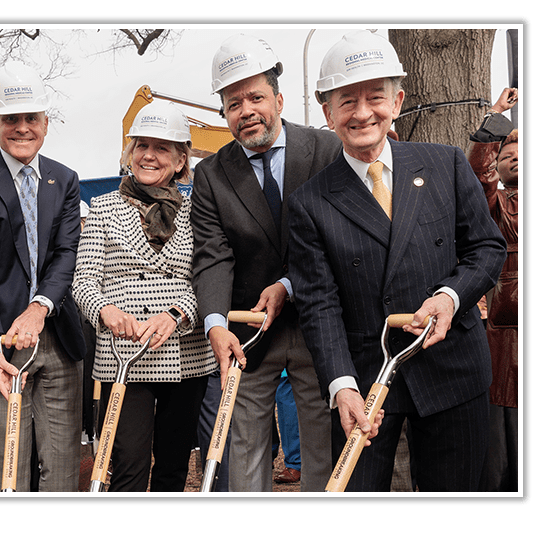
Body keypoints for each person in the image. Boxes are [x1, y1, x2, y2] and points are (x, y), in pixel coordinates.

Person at [287, 30, 506, 491]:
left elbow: (487, 250)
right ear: (327, 113)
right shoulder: (310, 202)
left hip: (453, 370)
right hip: (366, 384)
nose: (363, 112)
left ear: (398, 101)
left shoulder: (444, 163)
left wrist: (450, 297)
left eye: (375, 97)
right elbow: (319, 305)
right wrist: (340, 384)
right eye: (346, 101)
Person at [190, 33, 338, 492]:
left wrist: (290, 285)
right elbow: (213, 255)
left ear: (278, 98)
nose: (246, 110)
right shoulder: (211, 175)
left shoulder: (327, 152)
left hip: (318, 320)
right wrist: (216, 323)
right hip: (248, 330)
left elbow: (337, 240)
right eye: (233, 103)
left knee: (320, 446)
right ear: (225, 114)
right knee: (246, 445)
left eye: (255, 96)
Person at [0, 61, 86, 492]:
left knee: (63, 467)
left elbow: (67, 252)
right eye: (11, 118)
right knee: (8, 468)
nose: (22, 128)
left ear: (46, 121)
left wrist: (39, 307)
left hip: (57, 336)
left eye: (32, 118)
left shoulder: (65, 180)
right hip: (0, 340)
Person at [74, 101, 215, 491]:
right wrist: (104, 310)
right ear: (129, 153)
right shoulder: (101, 209)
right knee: (128, 468)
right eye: (141, 146)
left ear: (181, 158)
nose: (149, 155)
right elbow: (83, 280)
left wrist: (175, 313)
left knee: (173, 466)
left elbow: (208, 277)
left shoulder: (199, 211)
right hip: (124, 354)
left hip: (184, 354)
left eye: (162, 147)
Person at [467, 87, 519, 491]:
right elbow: (476, 179)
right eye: (506, 154)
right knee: (501, 457)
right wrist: (494, 125)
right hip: (505, 343)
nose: (514, 154)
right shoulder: (500, 207)